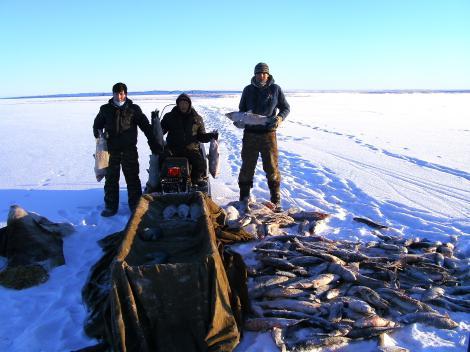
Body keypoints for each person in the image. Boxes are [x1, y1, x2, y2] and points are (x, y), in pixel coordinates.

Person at [93, 82, 162, 217]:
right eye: (117, 93)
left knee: (132, 179)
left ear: (126, 94)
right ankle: (110, 206)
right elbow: (96, 126)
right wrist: (100, 136)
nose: (120, 96)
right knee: (111, 179)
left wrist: (153, 143)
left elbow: (146, 127)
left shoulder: (133, 109)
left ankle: (135, 205)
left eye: (122, 93)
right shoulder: (105, 109)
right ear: (113, 94)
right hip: (110, 150)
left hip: (129, 150)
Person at [237, 62, 290, 210]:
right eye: (259, 73)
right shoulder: (247, 90)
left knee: (272, 168)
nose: (261, 75)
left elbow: (286, 108)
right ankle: (244, 197)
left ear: (268, 74)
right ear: (254, 75)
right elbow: (242, 110)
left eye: (264, 73)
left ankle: (275, 198)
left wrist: (279, 118)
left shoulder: (275, 89)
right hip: (250, 135)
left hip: (268, 135)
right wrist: (241, 120)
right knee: (247, 167)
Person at [160, 93, 218, 186]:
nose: (183, 105)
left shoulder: (197, 118)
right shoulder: (169, 116)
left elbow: (201, 136)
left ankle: (196, 179)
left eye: (185, 103)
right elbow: (161, 131)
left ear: (189, 104)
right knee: (161, 158)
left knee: (200, 163)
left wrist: (212, 136)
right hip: (173, 148)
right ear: (177, 104)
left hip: (191, 149)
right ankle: (161, 180)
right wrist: (156, 126)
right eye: (181, 103)